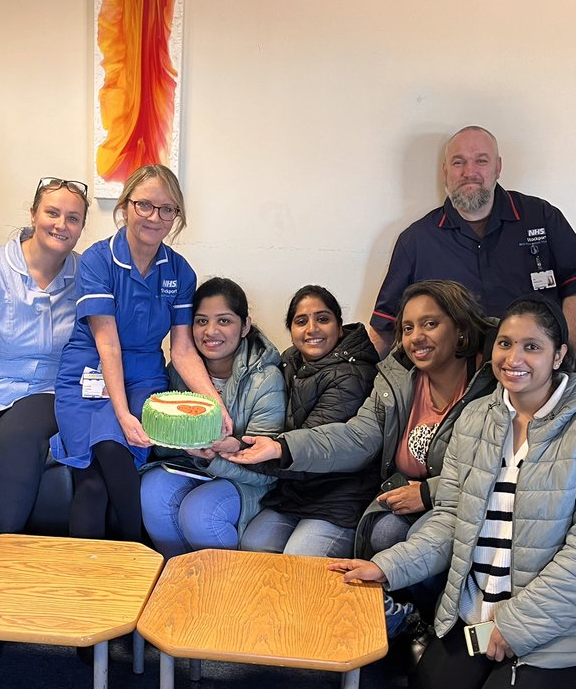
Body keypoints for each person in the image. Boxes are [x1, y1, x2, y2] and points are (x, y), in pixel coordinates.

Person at [334, 296, 576, 689]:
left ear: (558, 355)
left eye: (531, 347)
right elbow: (450, 519)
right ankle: (500, 686)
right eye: (504, 344)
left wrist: (516, 627)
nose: (513, 358)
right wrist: (388, 566)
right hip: (479, 615)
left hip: (556, 625)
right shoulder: (478, 419)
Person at [227, 280, 496, 632]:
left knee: (376, 536)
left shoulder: (488, 388)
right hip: (384, 492)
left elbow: (492, 470)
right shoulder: (397, 377)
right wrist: (282, 447)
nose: (417, 337)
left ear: (459, 329)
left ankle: (419, 620)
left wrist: (428, 492)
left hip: (447, 501)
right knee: (257, 545)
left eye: (430, 324)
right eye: (409, 327)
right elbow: (357, 436)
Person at [51, 164, 229, 541]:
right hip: (90, 370)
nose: (154, 217)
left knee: (102, 477)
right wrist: (122, 415)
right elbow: (107, 343)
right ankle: (126, 564)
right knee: (104, 462)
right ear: (126, 205)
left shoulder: (180, 272)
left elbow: (181, 350)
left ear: (176, 217)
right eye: (145, 205)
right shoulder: (99, 260)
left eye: (167, 209)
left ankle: (127, 571)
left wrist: (216, 406)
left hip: (145, 376)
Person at [366, 126, 576, 373]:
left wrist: (562, 360)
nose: (470, 172)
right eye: (458, 162)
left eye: (481, 161)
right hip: (460, 385)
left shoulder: (541, 216)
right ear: (445, 171)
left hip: (544, 374)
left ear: (498, 167)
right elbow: (386, 325)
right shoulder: (415, 241)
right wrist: (349, 372)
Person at [0, 178, 88, 533]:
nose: (61, 225)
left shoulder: (85, 274)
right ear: (34, 214)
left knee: (15, 442)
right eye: (52, 212)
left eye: (73, 218)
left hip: (49, 390)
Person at [140, 277, 285, 558]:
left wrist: (215, 456)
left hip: (246, 481)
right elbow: (163, 446)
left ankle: (225, 593)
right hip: (189, 467)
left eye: (224, 321)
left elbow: (266, 472)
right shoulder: (180, 369)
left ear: (245, 326)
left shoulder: (266, 379)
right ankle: (183, 581)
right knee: (152, 491)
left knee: (200, 513)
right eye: (201, 321)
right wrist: (184, 444)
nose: (211, 331)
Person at [237, 286, 380, 558]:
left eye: (323, 319)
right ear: (290, 329)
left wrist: (238, 451)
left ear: (339, 326)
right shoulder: (289, 361)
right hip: (294, 493)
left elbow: (310, 450)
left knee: (299, 559)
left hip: (339, 497)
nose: (312, 328)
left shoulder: (354, 374)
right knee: (254, 546)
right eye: (301, 321)